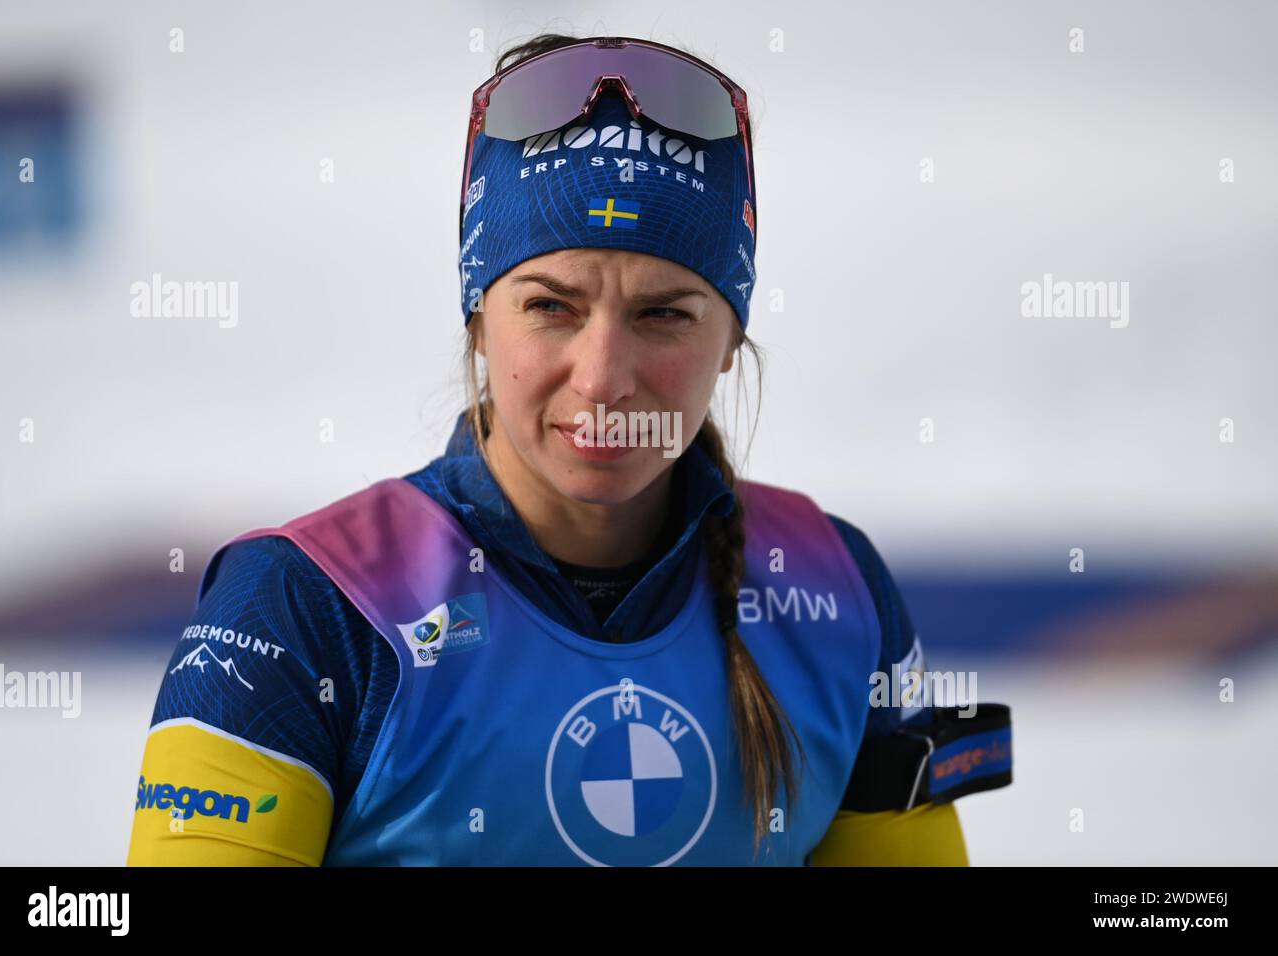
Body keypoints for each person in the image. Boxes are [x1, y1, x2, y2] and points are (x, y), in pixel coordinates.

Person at [127, 33, 1011, 867]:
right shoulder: (304, 606)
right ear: (479, 323)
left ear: (732, 339)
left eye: (663, 314)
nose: (603, 379)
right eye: (551, 306)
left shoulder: (838, 590)